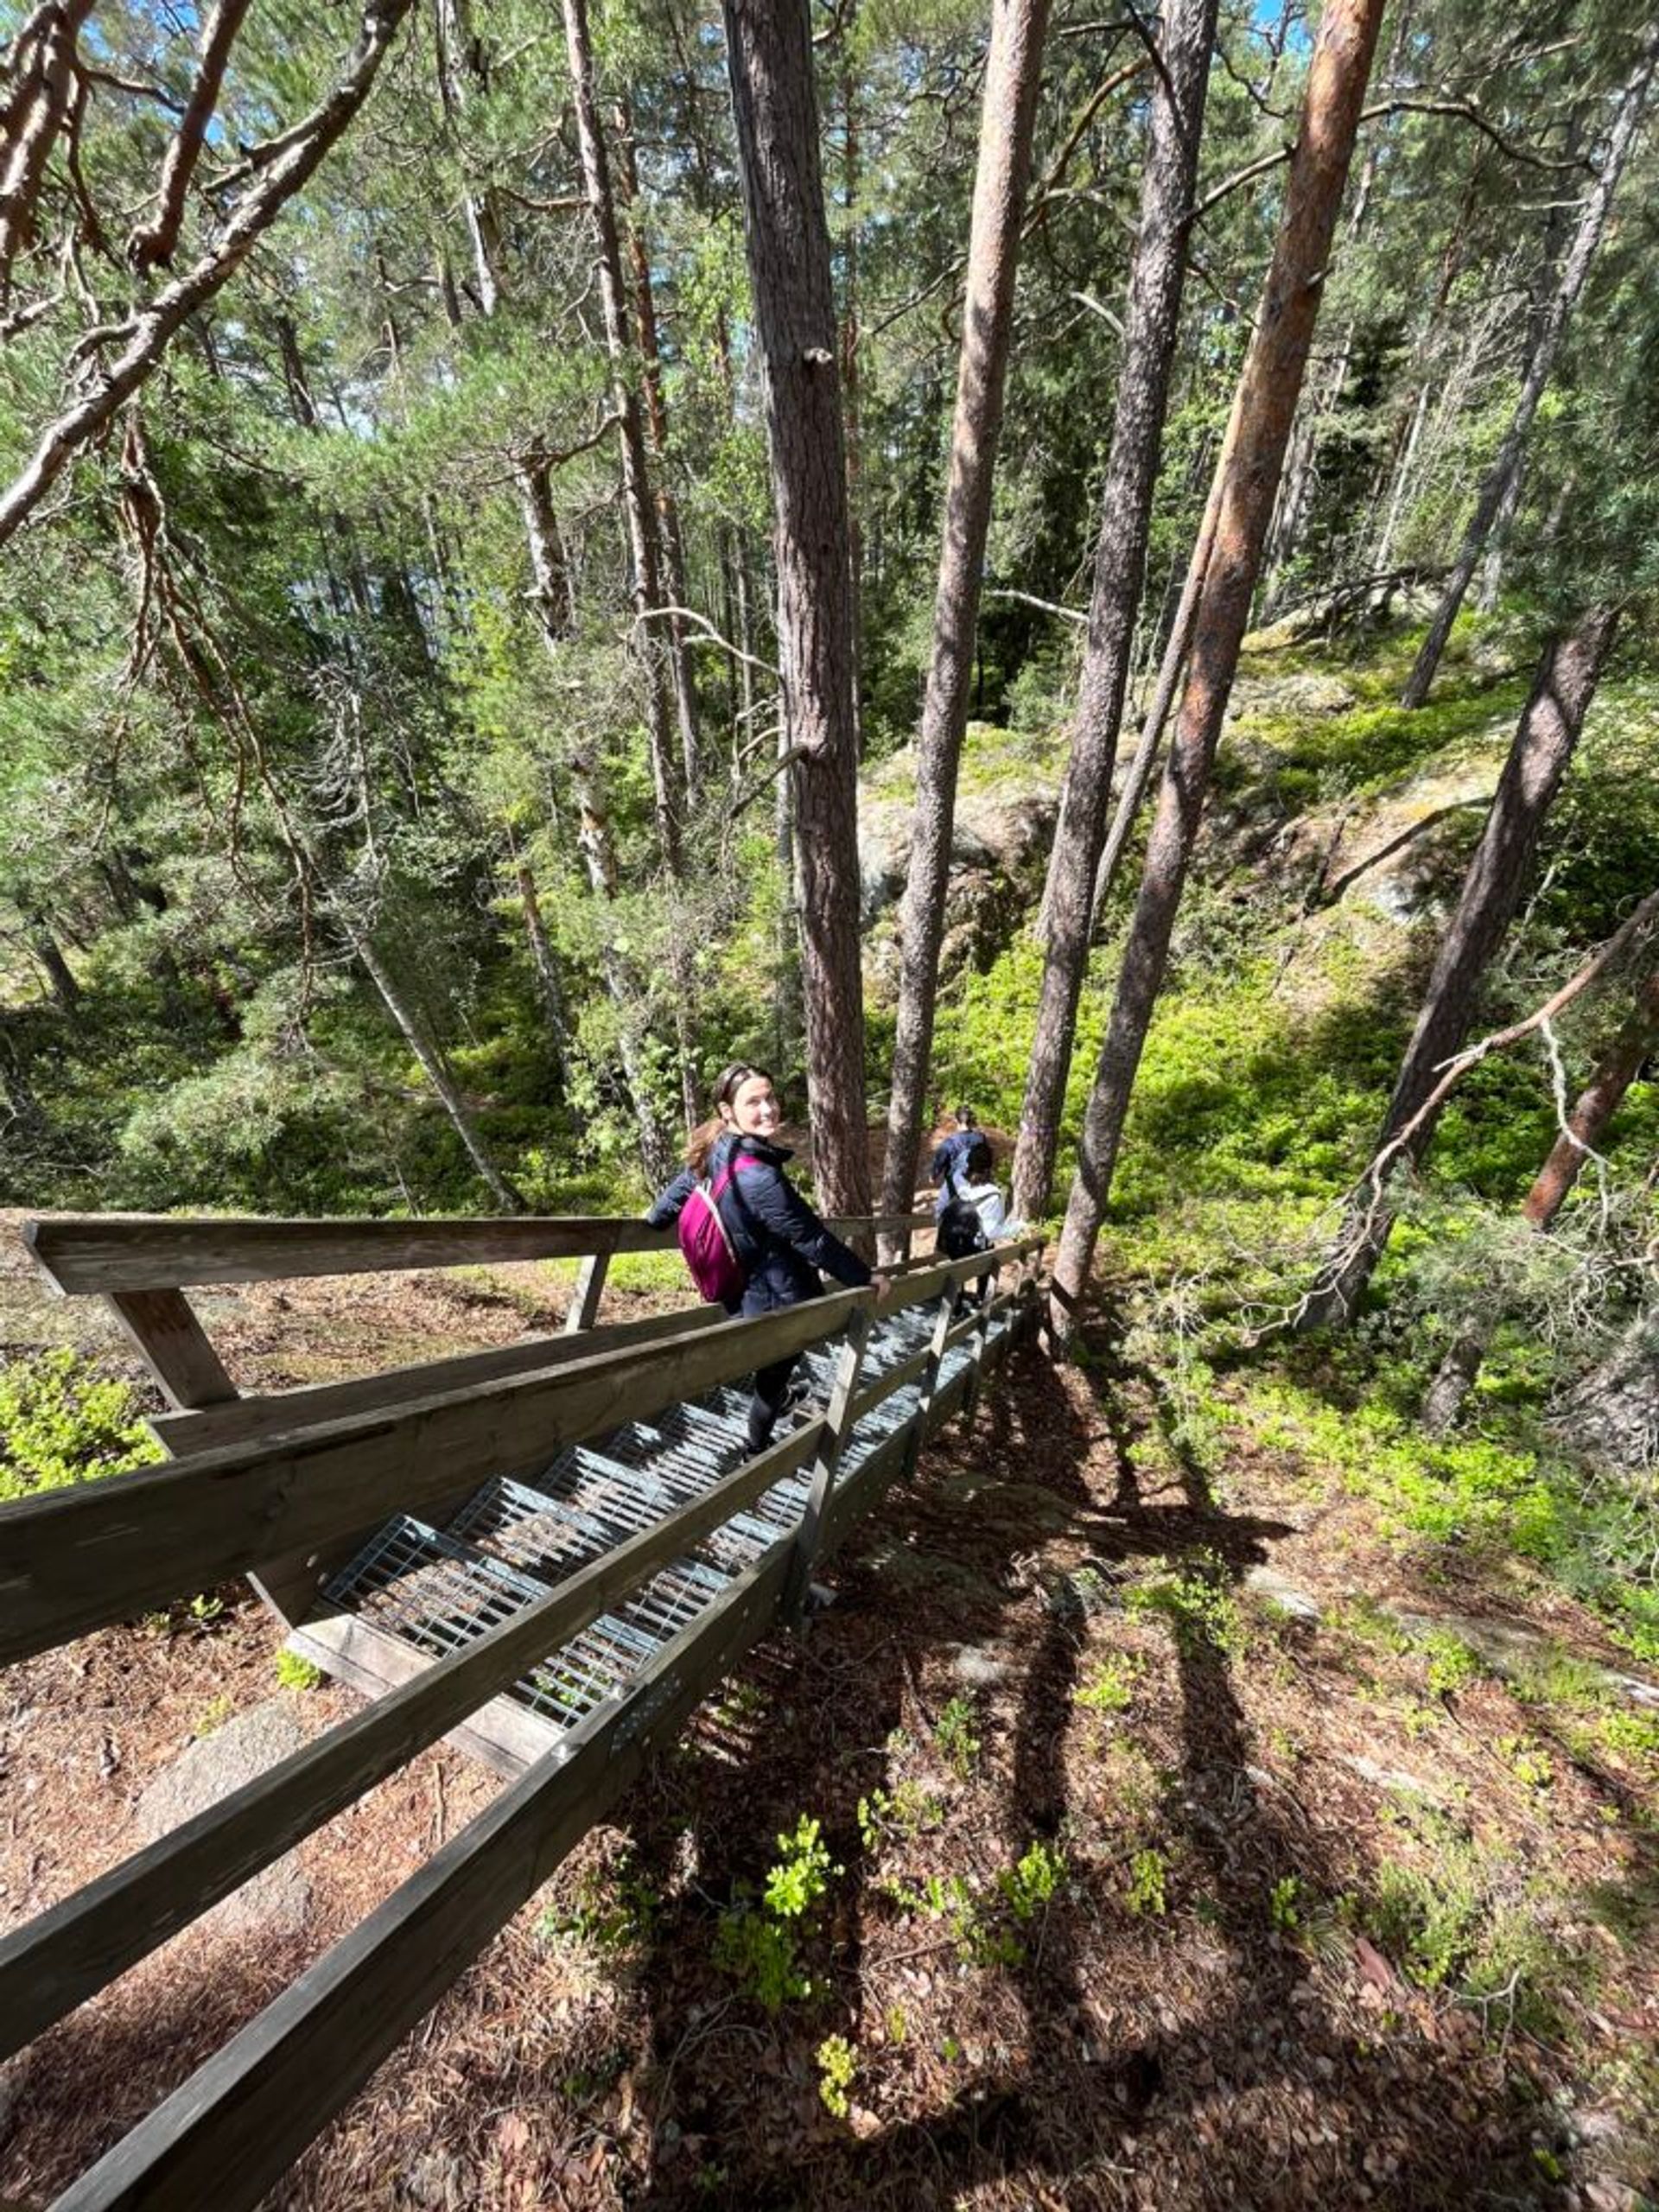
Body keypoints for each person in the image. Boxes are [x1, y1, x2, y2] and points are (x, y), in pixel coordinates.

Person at [647, 1063, 888, 1453]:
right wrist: (867, 1278)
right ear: (728, 1112)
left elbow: (659, 1213)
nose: (768, 1109)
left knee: (775, 1374)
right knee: (771, 1383)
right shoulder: (759, 1177)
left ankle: (783, 1402)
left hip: (742, 1297)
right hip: (778, 1304)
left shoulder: (714, 1149)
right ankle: (755, 1453)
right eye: (753, 1102)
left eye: (770, 1098)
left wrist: (653, 1221)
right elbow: (812, 1240)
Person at [928, 1105, 980, 1215]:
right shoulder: (980, 1138)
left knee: (940, 1212)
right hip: (976, 1184)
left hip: (954, 1186)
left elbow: (939, 1162)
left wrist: (933, 1176)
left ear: (956, 1120)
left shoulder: (950, 1142)